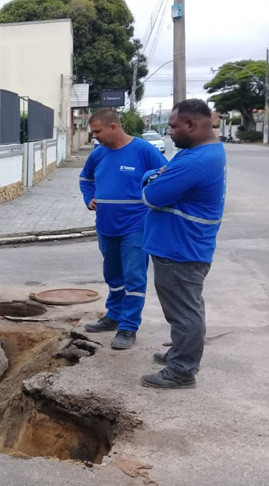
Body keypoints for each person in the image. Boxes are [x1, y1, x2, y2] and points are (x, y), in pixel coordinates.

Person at [140, 99, 226, 389]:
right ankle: (180, 354)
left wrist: (149, 179)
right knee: (185, 308)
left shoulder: (195, 161)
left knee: (184, 312)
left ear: (191, 124)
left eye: (174, 126)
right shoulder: (201, 152)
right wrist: (157, 177)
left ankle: (182, 370)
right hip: (183, 246)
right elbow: (162, 179)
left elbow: (151, 196)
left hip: (181, 249)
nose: (170, 131)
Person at [79, 109, 168, 349]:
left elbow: (165, 176)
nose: (94, 136)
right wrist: (89, 199)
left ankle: (128, 328)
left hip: (135, 227)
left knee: (134, 277)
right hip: (106, 227)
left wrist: (152, 202)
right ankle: (113, 315)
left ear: (113, 127)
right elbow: (85, 179)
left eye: (97, 131)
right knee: (113, 276)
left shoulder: (143, 150)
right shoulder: (98, 155)